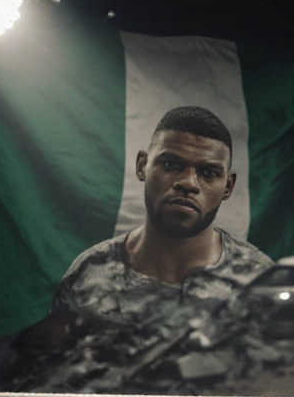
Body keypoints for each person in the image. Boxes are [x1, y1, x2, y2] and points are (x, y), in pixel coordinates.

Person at [50, 106, 273, 324]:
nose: (188, 183)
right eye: (171, 164)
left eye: (208, 173)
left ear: (227, 186)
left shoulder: (262, 281)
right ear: (142, 166)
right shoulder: (88, 274)